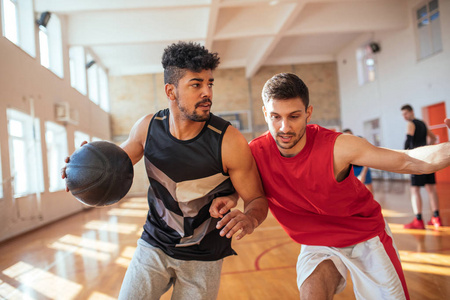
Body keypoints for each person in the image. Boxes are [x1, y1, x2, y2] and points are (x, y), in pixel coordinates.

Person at [63, 41, 268, 300]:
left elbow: (256, 199)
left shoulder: (229, 141)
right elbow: (111, 165)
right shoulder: (147, 128)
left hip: (204, 255)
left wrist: (249, 218)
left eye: (210, 83)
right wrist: (84, 167)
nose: (207, 92)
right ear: (171, 91)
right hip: (154, 244)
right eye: (196, 84)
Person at [243, 73, 450, 300]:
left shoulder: (338, 147)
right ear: (265, 113)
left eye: (294, 116)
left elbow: (409, 160)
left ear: (308, 113)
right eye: (275, 116)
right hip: (317, 243)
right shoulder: (254, 154)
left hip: (364, 236)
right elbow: (232, 189)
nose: (284, 127)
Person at [401, 104, 441, 230]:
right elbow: (433, 137)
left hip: (417, 160)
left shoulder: (410, 124)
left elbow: (408, 143)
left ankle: (418, 220)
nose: (404, 117)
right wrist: (427, 149)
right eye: (403, 114)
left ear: (411, 112)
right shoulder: (423, 123)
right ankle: (436, 218)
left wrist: (404, 157)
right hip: (427, 159)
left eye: (406, 113)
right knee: (431, 189)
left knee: (415, 190)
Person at [342, 129, 374, 193]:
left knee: (369, 189)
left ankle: (372, 202)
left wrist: (363, 174)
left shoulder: (360, 140)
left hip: (364, 167)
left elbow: (368, 157)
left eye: (350, 135)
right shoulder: (344, 147)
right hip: (353, 169)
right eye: (346, 136)